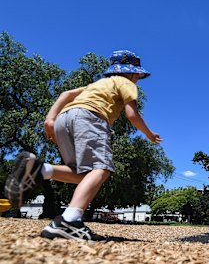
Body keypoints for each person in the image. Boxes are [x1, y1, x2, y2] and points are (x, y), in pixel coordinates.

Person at [3, 50, 162, 241]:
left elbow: (66, 94)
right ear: (131, 72)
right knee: (101, 168)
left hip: (64, 118)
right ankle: (69, 221)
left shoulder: (97, 84)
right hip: (90, 117)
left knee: (81, 174)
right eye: (138, 74)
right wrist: (149, 134)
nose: (138, 78)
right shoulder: (126, 83)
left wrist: (50, 119)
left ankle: (40, 170)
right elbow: (132, 114)